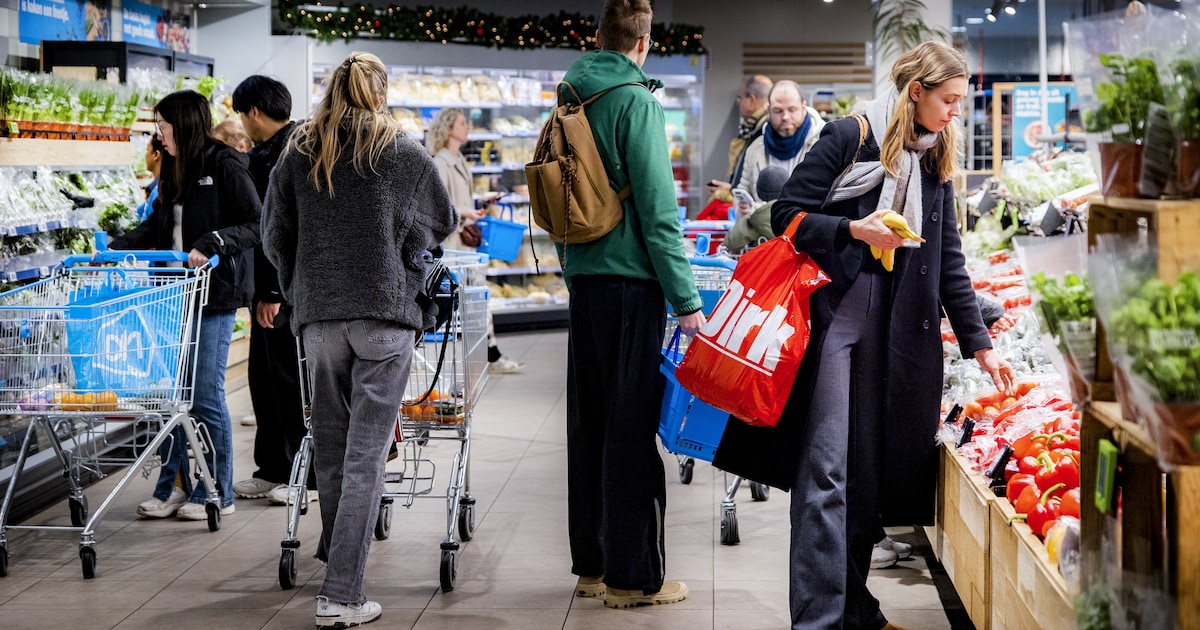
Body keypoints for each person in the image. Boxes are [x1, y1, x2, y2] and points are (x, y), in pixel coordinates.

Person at [766, 41, 1016, 628]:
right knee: (826, 471)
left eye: (961, 101)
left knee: (868, 476)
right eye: (948, 100)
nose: (956, 111)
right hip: (835, 325)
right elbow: (786, 215)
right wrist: (856, 229)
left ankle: (857, 612)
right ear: (916, 92)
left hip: (896, 334)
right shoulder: (848, 137)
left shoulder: (932, 157)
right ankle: (818, 620)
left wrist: (980, 343)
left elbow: (949, 259)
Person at [263, 51, 456, 628]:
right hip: (385, 317)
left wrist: (299, 286)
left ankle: (335, 552)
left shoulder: (299, 151)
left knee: (330, 445)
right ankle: (342, 593)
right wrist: (401, 252)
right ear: (382, 92)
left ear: (331, 90)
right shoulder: (403, 151)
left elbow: (274, 234)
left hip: (320, 320)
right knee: (367, 456)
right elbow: (439, 222)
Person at [560, 0, 705, 610]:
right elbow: (658, 211)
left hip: (584, 282)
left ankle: (592, 566)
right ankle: (632, 576)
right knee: (630, 429)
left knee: (588, 426)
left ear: (599, 37)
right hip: (630, 287)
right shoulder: (636, 101)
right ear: (643, 44)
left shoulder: (572, 95)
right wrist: (686, 299)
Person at [112, 90, 261, 521]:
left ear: (184, 124)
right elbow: (158, 225)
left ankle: (217, 492)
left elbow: (256, 223)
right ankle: (172, 487)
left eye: (163, 127)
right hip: (173, 295)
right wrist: (115, 248)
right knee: (173, 398)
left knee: (205, 396)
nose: (158, 136)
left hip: (214, 295)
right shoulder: (173, 168)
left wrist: (212, 242)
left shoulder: (224, 164)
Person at [228, 75, 309, 506]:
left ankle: (302, 472)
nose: (243, 123)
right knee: (264, 380)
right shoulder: (268, 151)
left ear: (254, 112)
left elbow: (285, 229)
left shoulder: (295, 152)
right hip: (268, 286)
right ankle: (274, 467)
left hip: (288, 290)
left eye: (242, 114)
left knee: (289, 380)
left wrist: (274, 292)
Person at [426, 107, 525, 374]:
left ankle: (490, 354)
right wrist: (465, 213)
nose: (467, 127)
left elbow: (460, 202)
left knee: (478, 299)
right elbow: (439, 209)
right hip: (453, 247)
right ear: (449, 129)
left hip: (467, 245)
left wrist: (480, 202)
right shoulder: (441, 164)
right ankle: (488, 356)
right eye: (462, 123)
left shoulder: (459, 160)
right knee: (466, 301)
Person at [735, 80, 825, 203]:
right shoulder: (755, 149)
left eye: (792, 110)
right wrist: (743, 207)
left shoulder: (823, 145)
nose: (785, 117)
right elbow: (743, 190)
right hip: (763, 216)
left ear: (804, 107)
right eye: (778, 111)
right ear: (768, 111)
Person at [707, 74, 773, 200]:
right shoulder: (754, 129)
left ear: (752, 99)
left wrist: (732, 190)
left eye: (740, 98)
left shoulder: (764, 131)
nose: (739, 103)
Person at [724, 164, 788, 252]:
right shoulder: (792, 213)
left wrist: (747, 216)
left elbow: (730, 241)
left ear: (758, 190)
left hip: (759, 259)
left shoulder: (755, 216)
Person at [135, 135, 164, 222]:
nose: (146, 154)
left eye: (147, 150)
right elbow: (140, 210)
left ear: (156, 155)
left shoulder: (158, 191)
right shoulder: (158, 188)